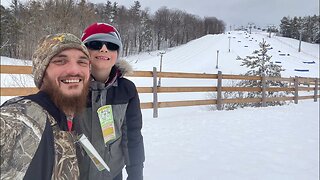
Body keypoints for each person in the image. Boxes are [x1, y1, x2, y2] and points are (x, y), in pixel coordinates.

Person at [0, 33, 91, 179]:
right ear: (42, 73)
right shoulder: (21, 116)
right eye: (60, 61)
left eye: (82, 62)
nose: (75, 70)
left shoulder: (71, 119)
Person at [74, 22, 145, 180]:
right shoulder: (70, 86)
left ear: (117, 53)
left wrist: (136, 174)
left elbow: (133, 135)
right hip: (75, 174)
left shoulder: (127, 90)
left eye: (111, 45)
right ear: (83, 51)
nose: (104, 49)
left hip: (112, 174)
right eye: (95, 44)